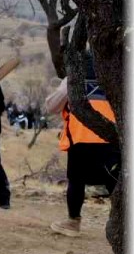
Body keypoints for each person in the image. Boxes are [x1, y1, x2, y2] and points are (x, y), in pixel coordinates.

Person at [44, 56, 119, 237]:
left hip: (81, 138)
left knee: (77, 182)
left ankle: (72, 222)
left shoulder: (74, 77)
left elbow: (51, 107)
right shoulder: (117, 75)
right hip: (112, 138)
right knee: (116, 183)